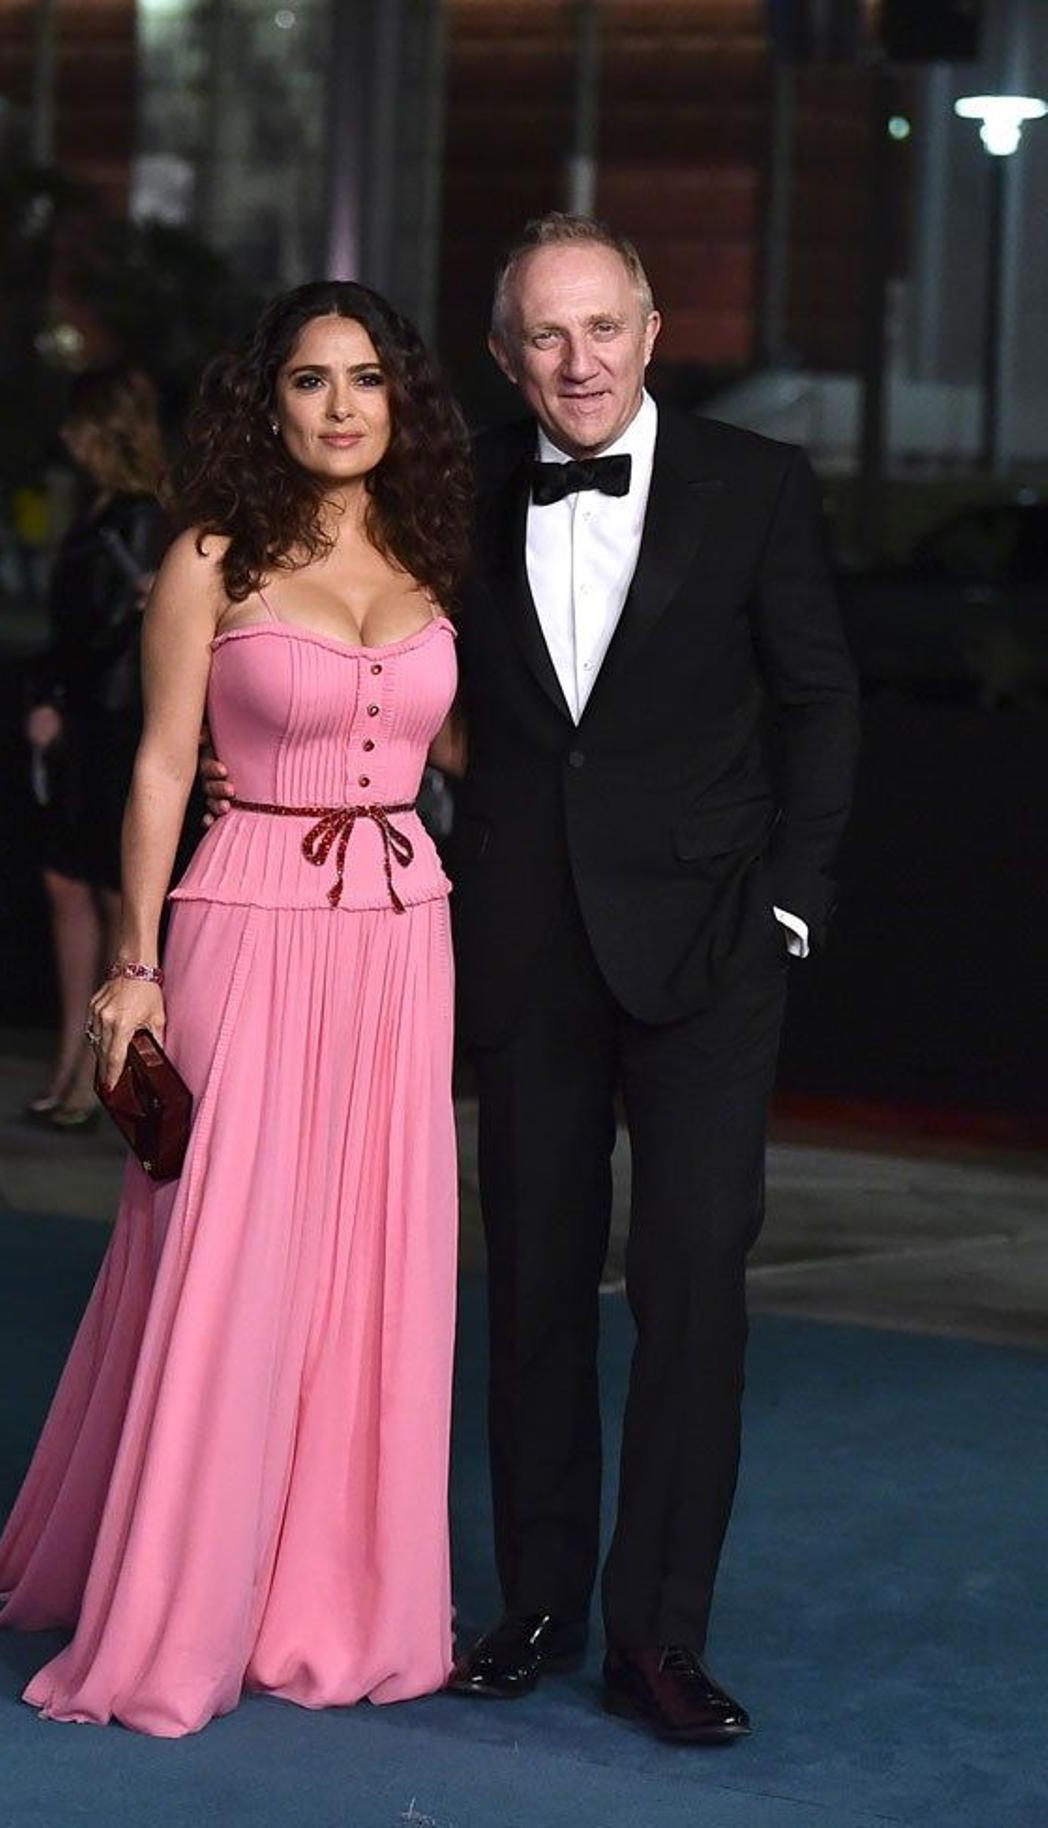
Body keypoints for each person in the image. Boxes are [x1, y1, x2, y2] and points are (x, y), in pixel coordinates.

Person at [202, 212, 861, 1744]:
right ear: (506, 356)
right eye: (544, 337)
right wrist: (259, 772)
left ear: (649, 331)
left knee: (693, 1287)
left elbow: (824, 705)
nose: (577, 361)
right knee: (536, 1293)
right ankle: (539, 1601)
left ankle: (658, 1638)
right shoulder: (452, 489)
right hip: (514, 943)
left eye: (603, 328)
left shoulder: (755, 485)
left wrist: (790, 913)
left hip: (710, 955)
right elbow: (333, 639)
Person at [0, 282, 473, 1738]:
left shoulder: (437, 551)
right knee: (225, 1257)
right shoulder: (208, 555)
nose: (338, 407)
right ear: (270, 401)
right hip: (245, 917)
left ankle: (334, 1604)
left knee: (376, 1264)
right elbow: (153, 770)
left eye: (366, 380)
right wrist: (135, 966)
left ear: (400, 403)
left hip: (400, 929)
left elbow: (478, 752)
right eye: (311, 381)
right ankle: (183, 1605)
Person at [24, 367, 170, 1127]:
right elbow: (76, 628)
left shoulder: (144, 515)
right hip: (89, 716)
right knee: (70, 886)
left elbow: (128, 635)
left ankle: (93, 1073)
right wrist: (49, 696)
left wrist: (60, 690)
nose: (67, 439)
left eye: (79, 426)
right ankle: (71, 1064)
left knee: (112, 894)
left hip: (121, 722)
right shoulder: (103, 511)